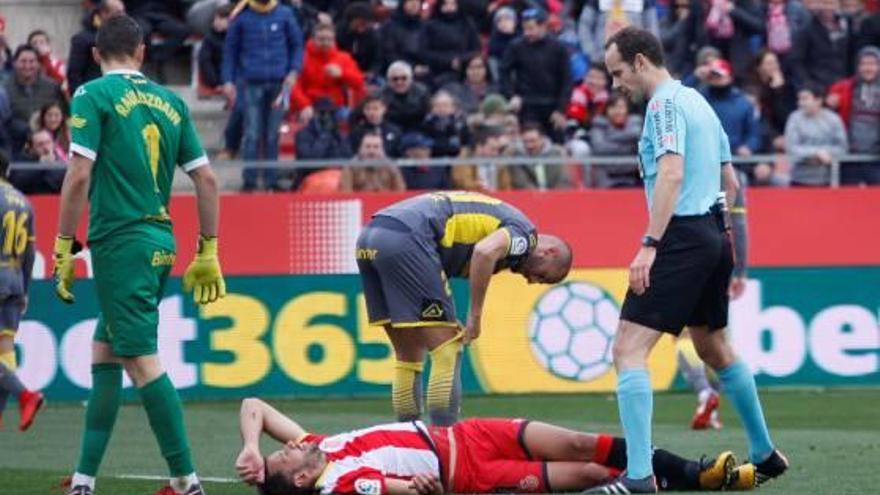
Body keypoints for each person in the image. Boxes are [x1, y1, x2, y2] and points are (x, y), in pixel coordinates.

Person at [592, 27, 787, 493]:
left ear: (640, 62)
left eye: (619, 73)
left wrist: (650, 244)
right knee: (714, 347)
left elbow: (672, 174)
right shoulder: (700, 103)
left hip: (680, 236)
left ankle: (639, 477)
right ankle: (764, 453)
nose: (616, 84)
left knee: (628, 349)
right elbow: (732, 185)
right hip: (713, 232)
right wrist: (717, 239)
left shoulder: (663, 106)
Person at [55, 15, 225, 495]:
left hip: (121, 242)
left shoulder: (92, 94)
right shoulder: (170, 102)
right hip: (160, 241)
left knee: (142, 360)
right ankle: (84, 481)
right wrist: (208, 249)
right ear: (142, 52)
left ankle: (187, 481)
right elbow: (207, 179)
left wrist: (64, 245)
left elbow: (79, 174)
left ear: (95, 54)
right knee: (105, 351)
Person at [355, 190, 571, 427]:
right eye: (542, 276)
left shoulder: (504, 233)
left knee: (409, 357)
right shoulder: (525, 235)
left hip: (370, 236)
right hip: (409, 238)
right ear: (550, 252)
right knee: (447, 350)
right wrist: (475, 316)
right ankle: (444, 442)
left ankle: (407, 440)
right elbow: (484, 252)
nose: (532, 280)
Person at [233, 397, 745, 494]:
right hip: (474, 477)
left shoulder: (317, 446)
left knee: (579, 441)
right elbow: (397, 489)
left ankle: (693, 472)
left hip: (469, 435)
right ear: (300, 477)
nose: (291, 445)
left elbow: (254, 404)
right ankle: (690, 480)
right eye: (285, 454)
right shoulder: (340, 484)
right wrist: (423, 489)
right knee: (591, 476)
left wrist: (254, 447)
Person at [222, 0, 304, 191]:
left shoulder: (285, 14)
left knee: (272, 134)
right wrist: (228, 80)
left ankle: (271, 180)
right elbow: (230, 51)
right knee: (252, 133)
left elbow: (297, 45)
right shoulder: (241, 17)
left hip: (280, 84)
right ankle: (249, 180)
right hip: (251, 84)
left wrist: (294, 70)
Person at [0, 150, 43, 432]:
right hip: (14, 279)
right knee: (4, 350)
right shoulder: (23, 201)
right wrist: (25, 289)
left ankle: (25, 394)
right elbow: (30, 252)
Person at [500, 8, 571, 142]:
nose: (527, 33)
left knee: (557, 146)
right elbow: (504, 72)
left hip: (552, 106)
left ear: (543, 26)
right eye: (525, 29)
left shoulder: (559, 48)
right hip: (526, 105)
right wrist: (510, 95)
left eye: (531, 28)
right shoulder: (516, 46)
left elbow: (567, 80)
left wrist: (561, 109)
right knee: (529, 142)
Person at [827, 45, 880, 185]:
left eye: (872, 64)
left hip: (876, 159)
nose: (868, 69)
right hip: (850, 155)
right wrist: (831, 105)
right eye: (864, 64)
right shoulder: (844, 88)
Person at [291, 23, 366, 123]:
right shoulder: (301, 58)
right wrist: (304, 105)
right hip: (310, 107)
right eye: (321, 39)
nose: (325, 42)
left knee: (352, 118)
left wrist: (342, 74)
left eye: (329, 39)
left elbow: (359, 82)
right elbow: (293, 86)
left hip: (336, 108)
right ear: (313, 39)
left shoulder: (343, 58)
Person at [4, 45, 66, 154]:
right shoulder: (4, 88)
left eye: (32, 61)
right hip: (14, 147)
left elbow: (63, 115)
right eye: (23, 61)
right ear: (15, 63)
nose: (27, 66)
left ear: (38, 64)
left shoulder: (52, 87)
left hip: (49, 146)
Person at [784, 84, 849, 186]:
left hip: (828, 179)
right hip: (799, 179)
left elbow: (842, 147)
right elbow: (791, 148)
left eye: (805, 99)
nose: (801, 103)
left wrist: (826, 153)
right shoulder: (794, 118)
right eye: (799, 99)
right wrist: (816, 152)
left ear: (818, 100)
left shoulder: (833, 119)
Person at [67, 0, 126, 94]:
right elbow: (74, 74)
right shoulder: (82, 40)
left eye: (123, 12)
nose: (123, 16)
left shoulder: (126, 38)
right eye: (118, 13)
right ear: (103, 14)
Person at [419, 0, 482, 87]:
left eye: (452, 4)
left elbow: (476, 49)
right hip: (439, 71)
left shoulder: (467, 24)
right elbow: (425, 52)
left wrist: (462, 61)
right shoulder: (430, 26)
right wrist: (449, 62)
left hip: (466, 69)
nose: (449, 7)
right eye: (446, 4)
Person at [588, 92, 643, 188]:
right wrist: (628, 145)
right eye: (614, 107)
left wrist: (609, 138)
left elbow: (636, 138)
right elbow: (599, 149)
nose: (618, 111)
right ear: (607, 110)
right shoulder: (598, 125)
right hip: (606, 177)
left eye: (621, 107)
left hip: (633, 177)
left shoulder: (635, 123)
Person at [505, 122, 572, 190]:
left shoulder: (557, 154)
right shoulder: (516, 156)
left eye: (532, 141)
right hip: (528, 198)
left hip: (557, 197)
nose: (529, 145)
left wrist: (552, 197)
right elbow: (521, 182)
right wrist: (538, 197)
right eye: (525, 141)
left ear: (542, 138)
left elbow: (563, 179)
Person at [339, 131, 405, 192]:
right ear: (360, 149)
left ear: (382, 150)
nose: (371, 151)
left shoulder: (391, 166)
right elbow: (346, 194)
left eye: (376, 147)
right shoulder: (350, 167)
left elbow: (400, 192)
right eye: (367, 146)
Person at [381, 61, 431, 134]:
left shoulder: (422, 92)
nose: (399, 82)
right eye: (395, 79)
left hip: (417, 130)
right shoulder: (381, 95)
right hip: (390, 131)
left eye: (404, 78)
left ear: (411, 79)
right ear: (389, 80)